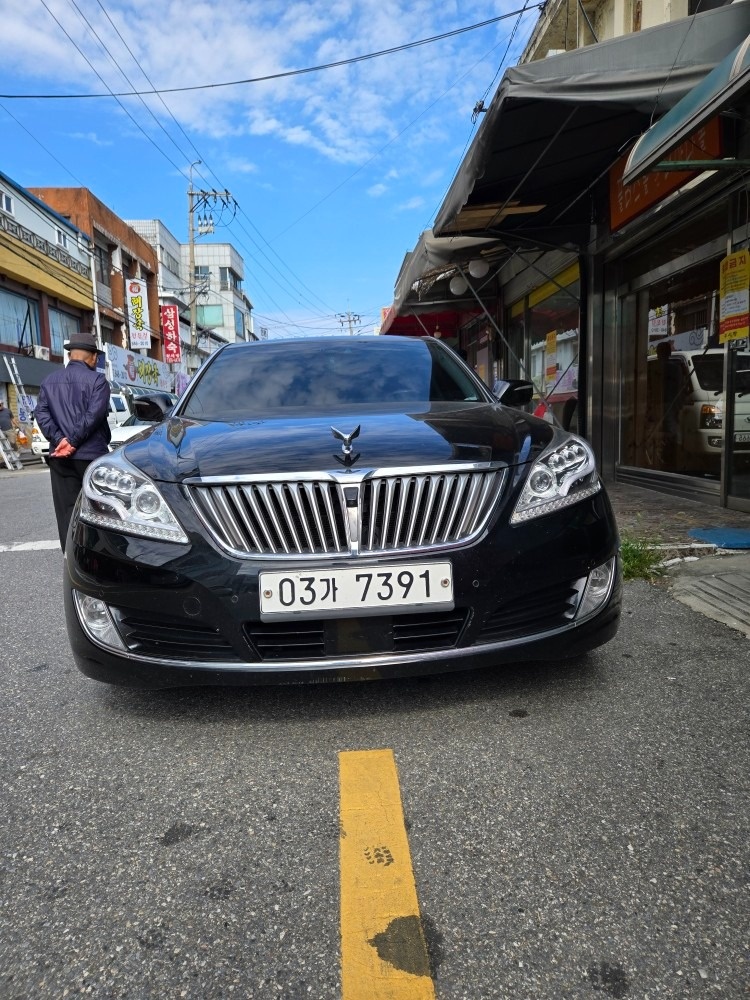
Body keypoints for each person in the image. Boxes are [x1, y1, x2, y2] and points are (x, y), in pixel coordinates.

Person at [35, 331, 111, 551]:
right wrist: (74, 441)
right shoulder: (97, 380)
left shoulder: (49, 381)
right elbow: (94, 415)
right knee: (99, 510)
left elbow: (41, 414)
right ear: (93, 357)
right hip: (91, 456)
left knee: (67, 510)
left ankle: (71, 554)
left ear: (70, 356)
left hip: (60, 458)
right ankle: (98, 556)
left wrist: (60, 440)